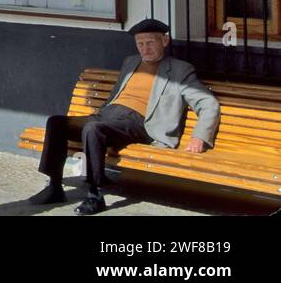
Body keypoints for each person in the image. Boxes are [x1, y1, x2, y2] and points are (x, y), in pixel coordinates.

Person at [29, 18, 220, 215]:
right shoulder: (130, 62)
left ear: (165, 41)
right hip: (108, 115)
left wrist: (199, 136)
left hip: (139, 122)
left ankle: (95, 195)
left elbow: (207, 102)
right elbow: (117, 95)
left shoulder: (180, 70)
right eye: (140, 44)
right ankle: (54, 187)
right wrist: (103, 112)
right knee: (56, 122)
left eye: (150, 43)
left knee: (93, 129)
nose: (144, 49)